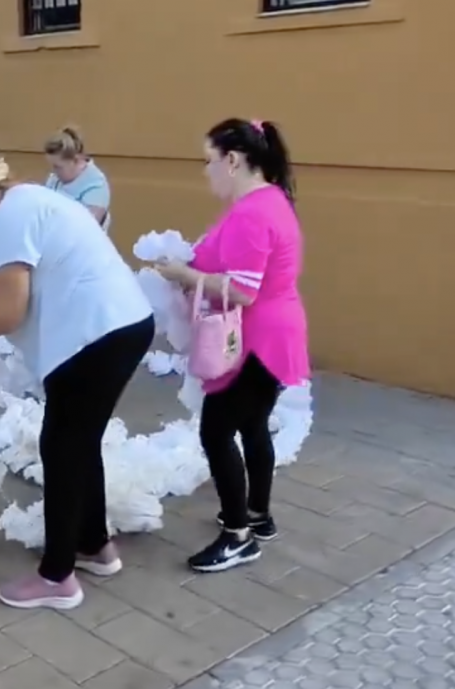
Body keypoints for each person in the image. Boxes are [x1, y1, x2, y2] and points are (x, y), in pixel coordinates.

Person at [0, 146, 155, 610]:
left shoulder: (5, 222)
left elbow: (6, 315)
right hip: (124, 323)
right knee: (79, 442)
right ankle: (95, 545)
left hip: (93, 335)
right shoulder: (33, 198)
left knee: (61, 448)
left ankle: (57, 577)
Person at [153, 119, 309, 574]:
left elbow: (243, 291)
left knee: (217, 430)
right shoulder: (270, 199)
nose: (207, 172)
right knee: (254, 425)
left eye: (209, 161)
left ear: (234, 160)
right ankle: (258, 517)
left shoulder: (252, 213)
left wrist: (185, 276)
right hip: (276, 334)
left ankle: (238, 537)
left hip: (256, 340)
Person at [43, 126, 112, 232]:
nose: (54, 172)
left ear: (77, 160)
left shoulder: (96, 186)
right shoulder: (54, 179)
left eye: (58, 167)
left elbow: (84, 230)